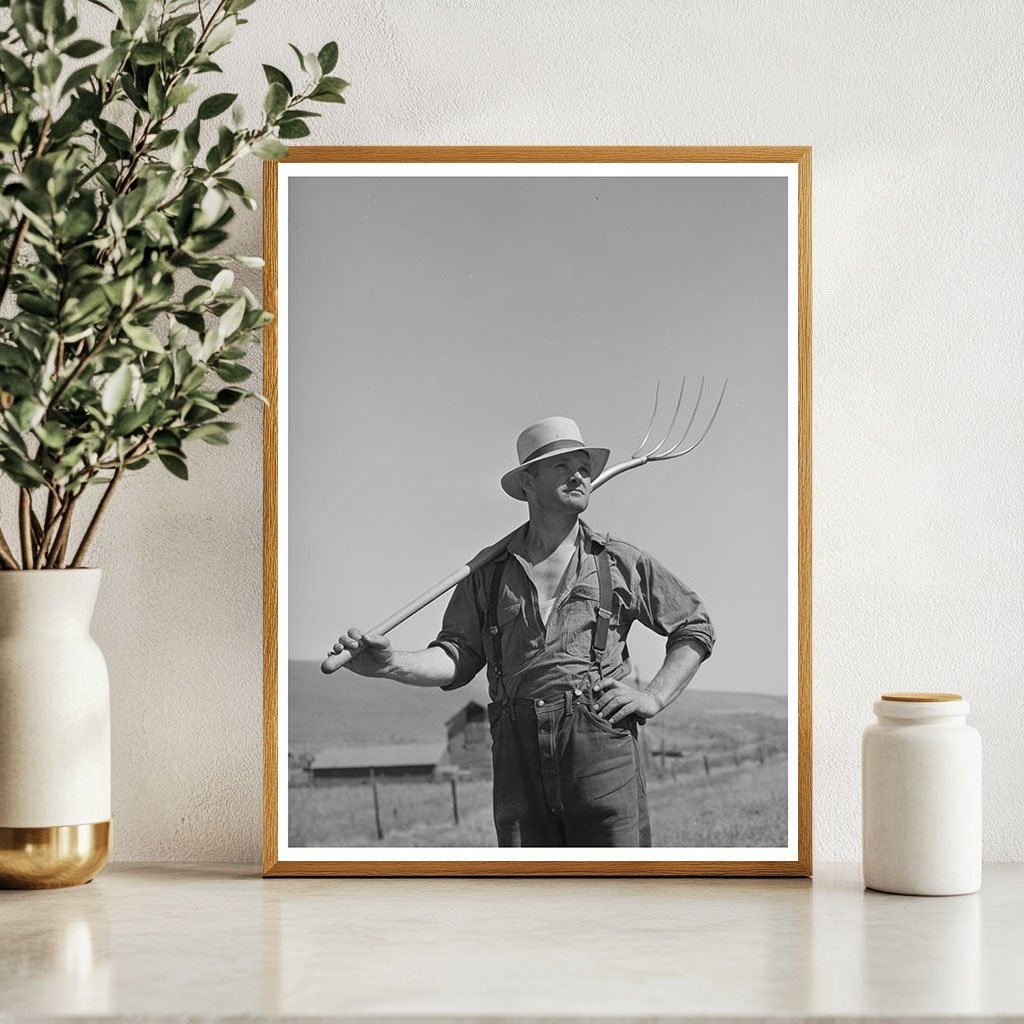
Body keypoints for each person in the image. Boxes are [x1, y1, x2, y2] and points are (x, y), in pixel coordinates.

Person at [332, 416, 715, 847]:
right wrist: (391, 664)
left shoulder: (620, 562)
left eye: (584, 467)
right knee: (530, 894)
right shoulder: (486, 573)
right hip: (516, 751)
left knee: (618, 890)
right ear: (527, 484)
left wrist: (654, 696)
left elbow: (693, 626)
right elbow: (457, 656)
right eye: (561, 466)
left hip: (600, 744)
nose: (578, 475)